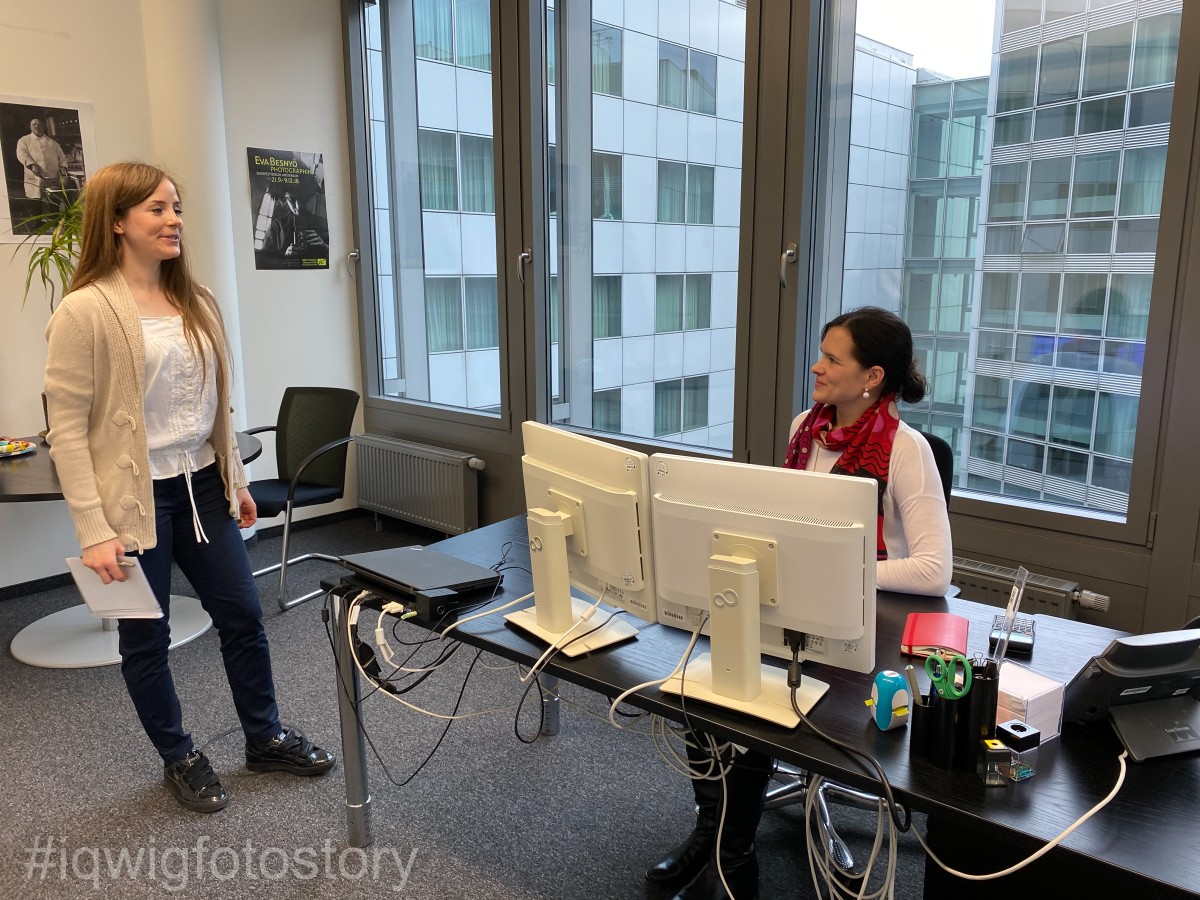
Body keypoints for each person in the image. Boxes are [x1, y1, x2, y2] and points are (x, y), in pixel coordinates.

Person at [43, 161, 336, 814]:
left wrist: (236, 479)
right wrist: (94, 530)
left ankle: (264, 737)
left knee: (243, 616)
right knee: (143, 639)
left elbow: (216, 404)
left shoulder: (195, 299)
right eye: (156, 208)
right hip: (131, 503)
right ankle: (180, 756)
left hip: (203, 487)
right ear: (116, 222)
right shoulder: (83, 312)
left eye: (176, 207)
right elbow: (65, 432)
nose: (174, 219)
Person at [646, 306, 953, 899]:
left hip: (862, 624)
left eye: (832, 359)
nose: (816, 367)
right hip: (795, 608)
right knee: (713, 673)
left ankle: (730, 855)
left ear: (872, 377)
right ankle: (713, 835)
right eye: (821, 352)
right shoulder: (803, 430)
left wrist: (845, 576)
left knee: (757, 695)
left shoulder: (906, 451)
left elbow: (935, 571)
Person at [16, 117, 69, 200]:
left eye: (40, 124)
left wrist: (63, 167)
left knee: (52, 204)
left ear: (44, 126)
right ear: (30, 127)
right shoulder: (24, 140)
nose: (37, 126)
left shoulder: (52, 142)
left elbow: (61, 156)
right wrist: (32, 165)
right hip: (34, 179)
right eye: (34, 124)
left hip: (52, 179)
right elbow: (22, 154)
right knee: (36, 206)